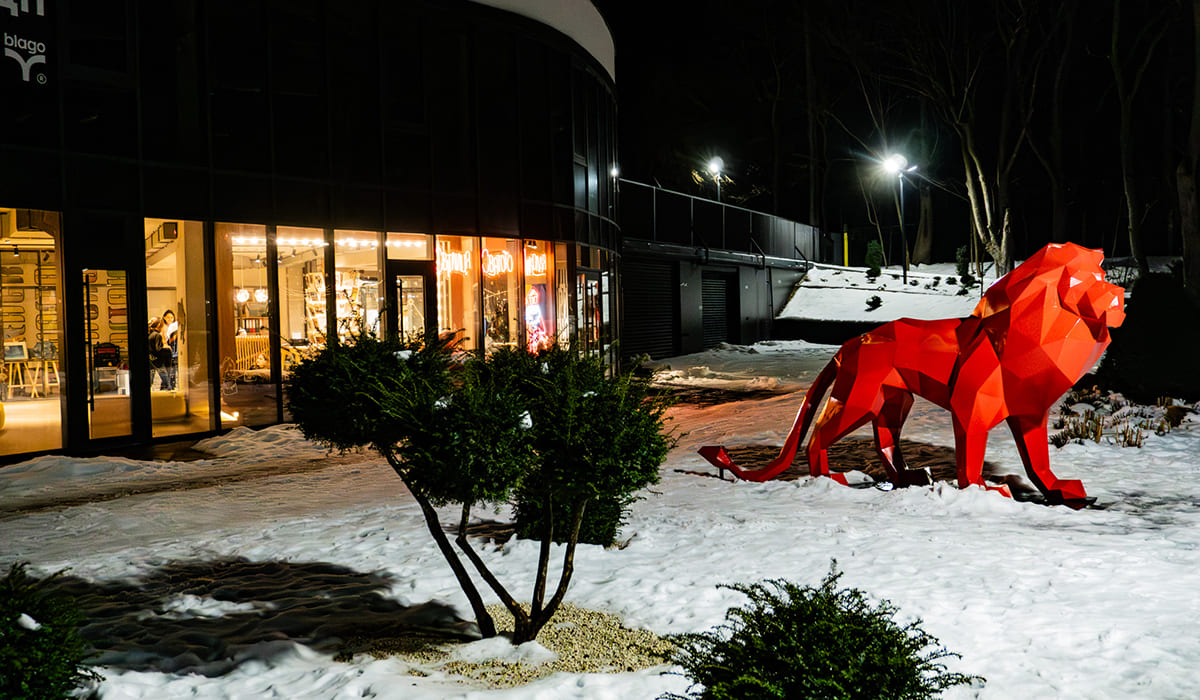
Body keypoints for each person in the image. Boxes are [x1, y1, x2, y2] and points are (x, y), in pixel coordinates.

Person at [148, 317, 174, 390]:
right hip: (157, 359)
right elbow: (157, 349)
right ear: (159, 325)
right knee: (164, 375)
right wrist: (166, 348)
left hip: (151, 358)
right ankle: (168, 389)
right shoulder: (157, 335)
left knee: (151, 377)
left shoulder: (150, 335)